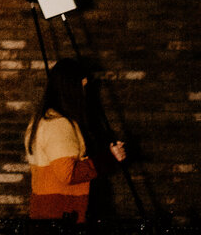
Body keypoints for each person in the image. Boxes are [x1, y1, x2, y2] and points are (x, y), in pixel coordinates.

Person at [24, 57, 126, 220]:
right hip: (63, 215)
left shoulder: (42, 120)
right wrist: (109, 158)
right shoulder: (59, 124)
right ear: (70, 89)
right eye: (82, 87)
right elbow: (68, 174)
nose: (84, 95)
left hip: (46, 213)